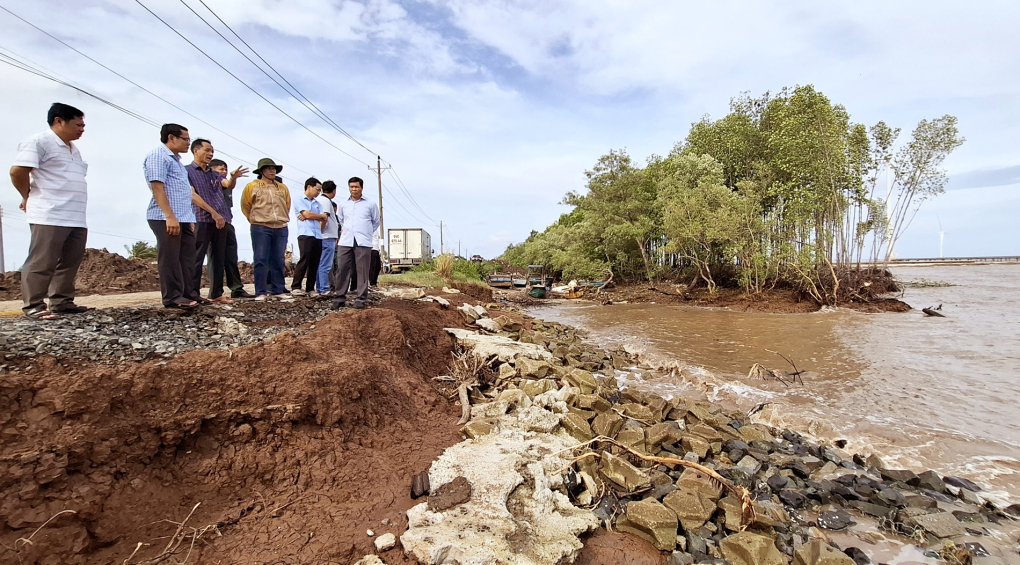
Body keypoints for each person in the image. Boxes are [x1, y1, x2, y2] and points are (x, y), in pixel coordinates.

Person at [10, 102, 92, 319]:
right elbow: (17, 171)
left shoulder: (73, 149)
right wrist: (26, 196)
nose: (82, 129)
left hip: (75, 216)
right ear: (59, 121)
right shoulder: (39, 142)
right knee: (42, 261)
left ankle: (62, 301)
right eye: (78, 124)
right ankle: (34, 305)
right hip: (49, 213)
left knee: (69, 261)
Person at [145, 123, 217, 309]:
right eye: (185, 139)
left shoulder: (176, 161)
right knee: (170, 258)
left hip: (183, 218)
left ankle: (190, 293)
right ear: (171, 138)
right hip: (165, 217)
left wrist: (188, 218)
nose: (188, 143)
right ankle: (172, 297)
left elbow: (184, 192)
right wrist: (170, 216)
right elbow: (157, 188)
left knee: (187, 258)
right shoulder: (158, 156)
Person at [185, 139, 233, 304]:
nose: (211, 154)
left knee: (218, 257)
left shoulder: (215, 174)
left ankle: (216, 293)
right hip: (201, 218)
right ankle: (192, 294)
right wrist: (213, 212)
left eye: (212, 151)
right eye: (207, 150)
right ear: (196, 150)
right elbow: (192, 195)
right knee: (196, 257)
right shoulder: (187, 171)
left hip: (220, 220)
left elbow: (227, 184)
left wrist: (233, 177)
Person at [240, 158, 291, 301]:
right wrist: (255, 219)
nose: (272, 171)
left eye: (274, 168)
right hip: (260, 226)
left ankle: (278, 290)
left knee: (278, 259)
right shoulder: (252, 186)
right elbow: (246, 205)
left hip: (280, 226)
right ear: (262, 171)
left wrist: (280, 217)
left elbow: (287, 205)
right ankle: (261, 292)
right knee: (261, 259)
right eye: (269, 168)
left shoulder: (282, 188)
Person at [332, 176, 379, 310]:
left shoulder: (370, 204)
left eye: (356, 187)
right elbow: (341, 220)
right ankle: (339, 297)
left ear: (361, 188)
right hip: (346, 240)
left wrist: (366, 232)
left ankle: (361, 299)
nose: (354, 189)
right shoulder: (343, 204)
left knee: (362, 270)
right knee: (342, 269)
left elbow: (376, 221)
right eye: (351, 187)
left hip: (363, 241)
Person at [209, 158, 251, 298]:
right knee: (216, 258)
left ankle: (237, 288)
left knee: (231, 257)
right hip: (211, 223)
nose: (224, 172)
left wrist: (233, 177)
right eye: (221, 169)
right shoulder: (209, 182)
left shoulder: (226, 184)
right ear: (211, 170)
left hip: (227, 222)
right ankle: (215, 292)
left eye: (225, 169)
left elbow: (229, 184)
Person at [290, 177, 327, 296]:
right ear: (309, 187)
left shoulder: (317, 203)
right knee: (304, 260)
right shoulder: (299, 199)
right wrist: (317, 216)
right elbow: (307, 214)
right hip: (305, 234)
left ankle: (310, 288)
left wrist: (313, 216)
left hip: (318, 235)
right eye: (317, 189)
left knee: (314, 262)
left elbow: (324, 218)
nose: (318, 192)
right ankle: (296, 286)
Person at [315, 180, 339, 296]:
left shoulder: (320, 200)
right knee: (325, 264)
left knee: (321, 264)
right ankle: (324, 288)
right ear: (333, 191)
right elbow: (324, 218)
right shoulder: (325, 201)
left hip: (323, 236)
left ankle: (321, 288)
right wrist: (319, 232)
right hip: (327, 236)